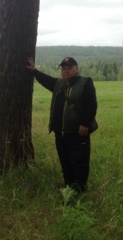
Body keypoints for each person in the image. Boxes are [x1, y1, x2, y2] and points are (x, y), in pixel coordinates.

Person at [27, 57, 97, 193]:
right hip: (60, 133)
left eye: (69, 68)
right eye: (64, 68)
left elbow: (91, 105)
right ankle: (69, 187)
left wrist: (84, 124)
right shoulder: (59, 83)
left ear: (76, 69)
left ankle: (80, 190)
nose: (66, 71)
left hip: (77, 132)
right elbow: (46, 80)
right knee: (65, 161)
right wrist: (34, 71)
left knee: (79, 162)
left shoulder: (85, 83)